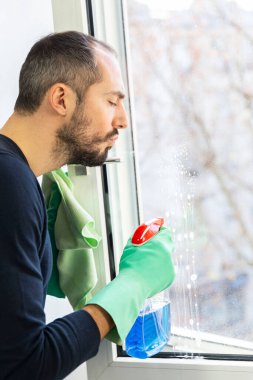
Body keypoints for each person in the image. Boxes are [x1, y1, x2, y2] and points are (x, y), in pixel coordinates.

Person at [0, 31, 175, 379]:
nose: (122, 120)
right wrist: (131, 285)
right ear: (61, 99)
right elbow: (25, 366)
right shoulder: (8, 182)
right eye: (112, 101)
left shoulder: (16, 175)